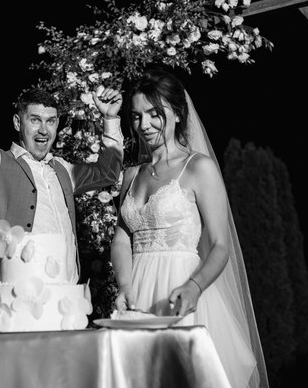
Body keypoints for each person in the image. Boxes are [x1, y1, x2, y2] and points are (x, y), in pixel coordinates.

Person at [110, 68, 269, 388]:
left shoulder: (199, 167)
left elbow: (221, 244)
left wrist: (195, 286)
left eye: (155, 114)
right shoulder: (131, 175)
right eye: (137, 116)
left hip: (181, 290)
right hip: (138, 295)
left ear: (178, 114)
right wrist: (125, 285)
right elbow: (122, 238)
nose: (145, 125)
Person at [0, 50, 124, 287]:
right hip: (16, 294)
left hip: (66, 292)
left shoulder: (62, 169)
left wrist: (110, 120)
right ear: (18, 122)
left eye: (50, 121)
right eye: (35, 119)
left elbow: (108, 173)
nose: (43, 130)